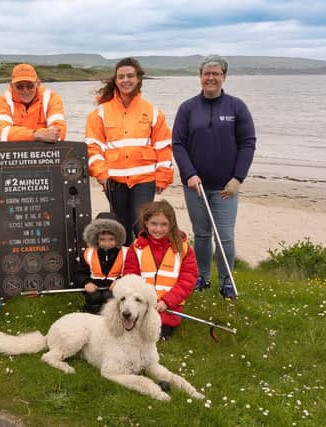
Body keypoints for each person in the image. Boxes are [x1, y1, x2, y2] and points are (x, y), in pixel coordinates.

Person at [172, 55, 256, 299]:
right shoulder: (187, 108)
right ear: (200, 77)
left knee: (225, 236)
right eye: (206, 74)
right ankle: (202, 276)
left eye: (216, 74)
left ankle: (226, 280)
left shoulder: (236, 107)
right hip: (195, 186)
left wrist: (238, 178)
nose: (211, 78)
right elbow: (178, 144)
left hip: (225, 187)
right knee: (202, 235)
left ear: (224, 77)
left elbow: (248, 143)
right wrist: (189, 174)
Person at [85, 57, 173, 246]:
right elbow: (93, 146)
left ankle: (147, 268)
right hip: (113, 181)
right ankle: (125, 269)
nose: (126, 80)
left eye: (130, 76)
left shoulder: (152, 111)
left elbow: (163, 145)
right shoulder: (100, 112)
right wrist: (101, 174)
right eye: (121, 76)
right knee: (121, 228)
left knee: (141, 226)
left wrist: (163, 175)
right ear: (116, 80)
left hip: (144, 180)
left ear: (138, 79)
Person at [122, 200, 198, 340]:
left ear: (171, 224)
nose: (158, 229)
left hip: (168, 307)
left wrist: (167, 301)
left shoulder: (184, 249)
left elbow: (187, 280)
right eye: (154, 224)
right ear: (146, 223)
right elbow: (130, 275)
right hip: (140, 304)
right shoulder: (136, 247)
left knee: (156, 334)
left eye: (164, 225)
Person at [0, 63, 66, 143]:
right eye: (19, 86)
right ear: (11, 86)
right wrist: (35, 135)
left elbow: (59, 132)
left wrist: (18, 135)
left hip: (44, 151)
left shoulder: (51, 98)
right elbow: (2, 132)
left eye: (29, 85)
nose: (25, 90)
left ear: (38, 84)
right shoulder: (3, 100)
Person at [73, 212, 128, 314]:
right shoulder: (88, 253)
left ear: (118, 237)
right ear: (96, 238)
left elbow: (130, 272)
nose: (107, 243)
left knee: (109, 297)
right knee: (94, 297)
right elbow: (79, 273)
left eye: (111, 239)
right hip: (94, 287)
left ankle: (113, 316)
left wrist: (121, 281)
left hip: (115, 287)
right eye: (102, 239)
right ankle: (92, 314)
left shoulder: (126, 253)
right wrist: (86, 282)